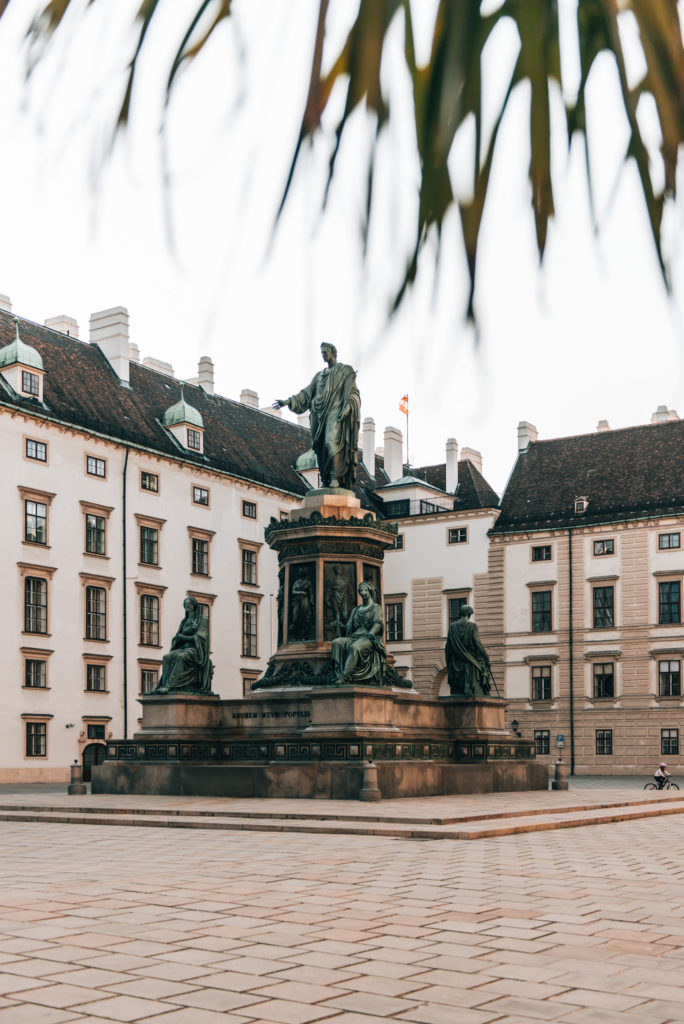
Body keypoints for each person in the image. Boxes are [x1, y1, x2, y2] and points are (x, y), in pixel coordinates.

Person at [273, 342, 360, 490]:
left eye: (325, 352)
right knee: (320, 448)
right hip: (318, 415)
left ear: (333, 352)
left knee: (330, 443)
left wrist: (347, 408)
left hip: (335, 411)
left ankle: (334, 477)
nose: (323, 355)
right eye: (321, 353)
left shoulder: (345, 371)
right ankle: (326, 479)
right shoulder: (319, 376)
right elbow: (306, 393)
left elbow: (353, 394)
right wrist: (287, 401)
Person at [154, 596, 214, 694]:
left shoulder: (203, 620)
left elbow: (199, 639)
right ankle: (164, 684)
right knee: (166, 657)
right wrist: (180, 637)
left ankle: (169, 686)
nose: (187, 605)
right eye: (185, 604)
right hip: (182, 648)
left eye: (189, 603)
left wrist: (182, 637)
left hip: (195, 651)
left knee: (181, 657)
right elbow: (177, 638)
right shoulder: (184, 621)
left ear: (194, 605)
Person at [331, 581, 386, 685]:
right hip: (354, 636)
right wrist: (338, 625)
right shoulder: (356, 610)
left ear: (370, 592)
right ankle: (337, 674)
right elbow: (348, 628)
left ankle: (344, 677)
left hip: (368, 638)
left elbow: (378, 624)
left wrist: (371, 633)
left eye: (365, 590)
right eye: (361, 590)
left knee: (355, 647)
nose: (363, 592)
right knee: (336, 642)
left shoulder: (376, 608)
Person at [445, 605, 491, 697]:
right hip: (470, 661)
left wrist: (448, 662)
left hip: (455, 663)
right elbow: (477, 643)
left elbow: (448, 646)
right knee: (483, 665)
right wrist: (486, 658)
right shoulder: (472, 626)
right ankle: (483, 690)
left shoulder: (452, 627)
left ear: (460, 614)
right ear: (470, 614)